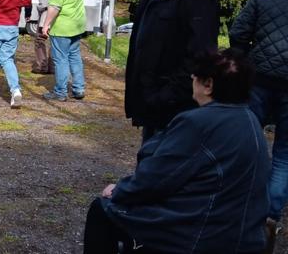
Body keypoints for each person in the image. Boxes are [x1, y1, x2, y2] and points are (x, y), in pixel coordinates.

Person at [83, 49, 269, 254]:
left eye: (196, 76)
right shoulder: (250, 119)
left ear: (208, 85)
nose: (191, 78)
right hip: (243, 234)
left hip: (201, 235)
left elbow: (155, 178)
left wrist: (119, 190)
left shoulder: (198, 123)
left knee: (102, 210)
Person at [126, 0, 219, 142]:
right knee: (151, 167)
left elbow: (201, 54)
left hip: (174, 111)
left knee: (164, 171)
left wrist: (164, 97)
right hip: (156, 108)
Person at [231, 0, 288, 247]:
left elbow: (238, 33)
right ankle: (270, 216)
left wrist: (246, 64)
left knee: (250, 142)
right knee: (284, 156)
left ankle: (242, 206)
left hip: (260, 82)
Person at [41, 0, 87, 101]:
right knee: (74, 57)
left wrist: (46, 25)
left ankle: (60, 92)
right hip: (77, 24)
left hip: (62, 27)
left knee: (60, 59)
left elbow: (55, 7)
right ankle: (78, 88)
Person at [32, 0, 59, 74]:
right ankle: (53, 67)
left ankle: (42, 66)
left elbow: (43, 2)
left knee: (40, 40)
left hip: (46, 16)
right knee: (54, 42)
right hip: (58, 18)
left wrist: (39, 9)